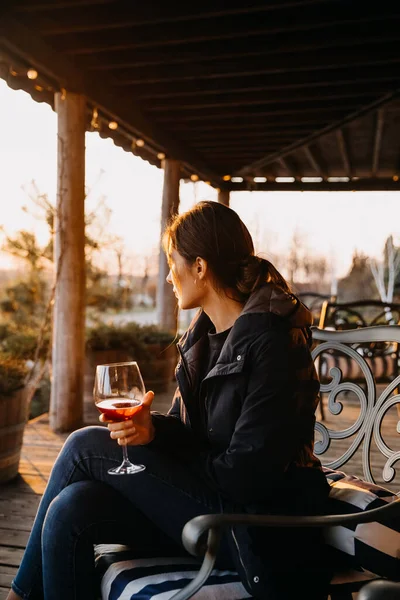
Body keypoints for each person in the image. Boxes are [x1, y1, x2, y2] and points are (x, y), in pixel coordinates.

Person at [7, 200, 332, 600]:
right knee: (70, 509)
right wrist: (153, 430)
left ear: (200, 266)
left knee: (83, 446)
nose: (167, 276)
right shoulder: (203, 339)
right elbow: (191, 433)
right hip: (214, 504)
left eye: (172, 261)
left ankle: (18, 597)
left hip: (257, 529)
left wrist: (155, 454)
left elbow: (247, 478)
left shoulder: (273, 343)